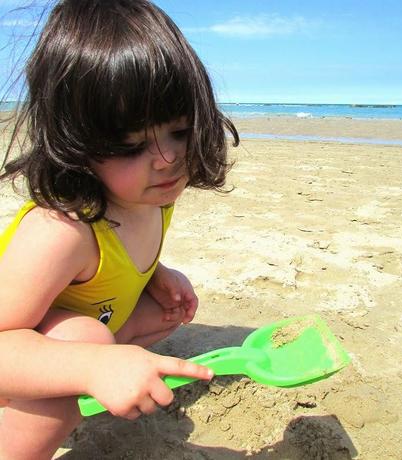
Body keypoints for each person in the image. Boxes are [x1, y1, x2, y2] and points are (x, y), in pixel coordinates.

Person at [0, 0, 239, 458]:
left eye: (181, 131)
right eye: (130, 145)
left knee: (167, 310)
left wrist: (156, 272)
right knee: (82, 339)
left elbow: (115, 260)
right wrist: (91, 365)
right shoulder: (61, 232)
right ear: (75, 144)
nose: (168, 160)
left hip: (77, 328)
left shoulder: (150, 194)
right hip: (20, 356)